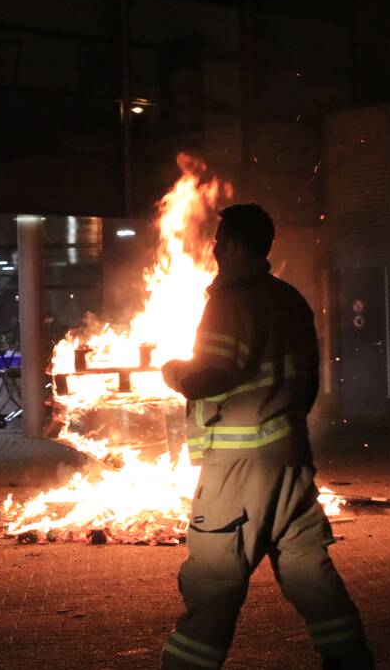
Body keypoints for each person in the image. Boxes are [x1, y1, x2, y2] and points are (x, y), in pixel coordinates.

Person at [159, 204, 374, 670]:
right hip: (291, 459)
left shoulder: (230, 299)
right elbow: (308, 382)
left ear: (234, 245)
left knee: (214, 581)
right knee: (308, 571)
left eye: (219, 241)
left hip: (240, 469)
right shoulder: (290, 299)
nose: (213, 248)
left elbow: (214, 373)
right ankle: (351, 661)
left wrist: (174, 372)